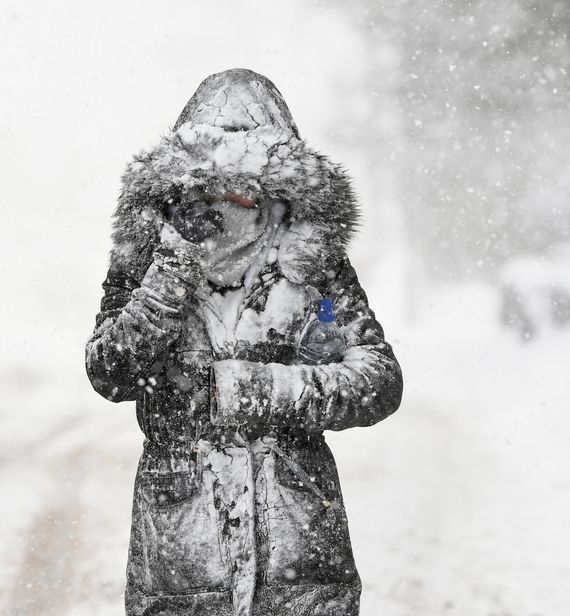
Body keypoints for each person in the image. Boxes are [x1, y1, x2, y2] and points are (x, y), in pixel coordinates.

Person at [85, 68, 403, 616]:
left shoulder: (312, 265)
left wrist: (255, 390)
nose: (234, 200)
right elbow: (109, 370)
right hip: (182, 565)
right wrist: (171, 269)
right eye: (216, 182)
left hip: (300, 564)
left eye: (249, 184)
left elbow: (377, 380)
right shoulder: (149, 259)